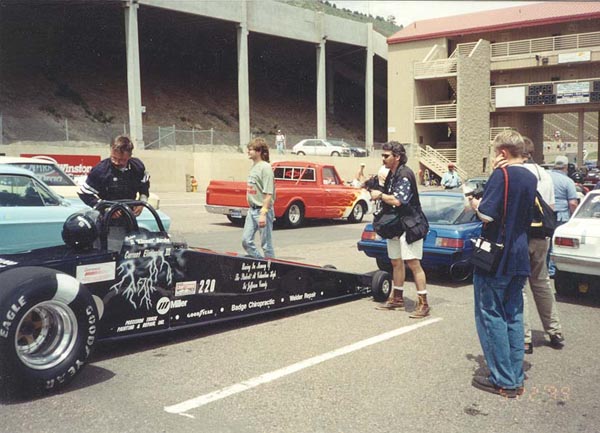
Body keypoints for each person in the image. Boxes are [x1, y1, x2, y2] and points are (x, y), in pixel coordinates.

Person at [468, 130, 536, 398]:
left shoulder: (501, 174)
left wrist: (475, 202)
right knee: (514, 314)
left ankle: (504, 379)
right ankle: (515, 375)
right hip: (520, 253)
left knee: (490, 314)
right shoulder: (531, 176)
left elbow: (487, 214)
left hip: (497, 257)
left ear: (503, 153)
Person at [370, 142, 430, 319]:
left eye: (386, 156)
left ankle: (423, 303)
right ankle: (397, 298)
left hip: (410, 224)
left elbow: (398, 201)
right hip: (396, 225)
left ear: (397, 157)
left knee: (413, 263)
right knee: (396, 261)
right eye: (382, 155)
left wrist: (380, 195)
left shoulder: (404, 174)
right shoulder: (391, 174)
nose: (383, 159)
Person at [519, 138, 564, 353]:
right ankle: (554, 330)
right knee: (542, 282)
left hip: (522, 235)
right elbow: (551, 207)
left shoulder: (518, 173)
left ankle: (524, 337)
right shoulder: (544, 174)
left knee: (520, 288)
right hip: (541, 237)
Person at [78, 135, 150, 216]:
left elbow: (144, 185)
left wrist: (142, 202)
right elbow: (84, 194)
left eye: (121, 160)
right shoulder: (101, 170)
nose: (116, 162)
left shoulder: (137, 167)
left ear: (130, 156)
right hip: (106, 220)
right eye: (114, 158)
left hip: (129, 217)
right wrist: (105, 208)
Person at [242, 137, 275, 258]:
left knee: (266, 245)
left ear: (259, 151)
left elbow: (268, 193)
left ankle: (272, 269)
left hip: (263, 211)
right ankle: (260, 263)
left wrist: (263, 213)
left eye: (251, 149)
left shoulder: (265, 168)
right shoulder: (254, 166)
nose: (248, 152)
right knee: (246, 241)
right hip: (252, 210)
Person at [547, 155, 578, 277]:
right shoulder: (568, 181)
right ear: (565, 167)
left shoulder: (547, 177)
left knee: (545, 241)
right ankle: (552, 270)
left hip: (546, 214)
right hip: (562, 216)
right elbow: (572, 203)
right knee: (556, 243)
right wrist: (574, 216)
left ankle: (543, 268)